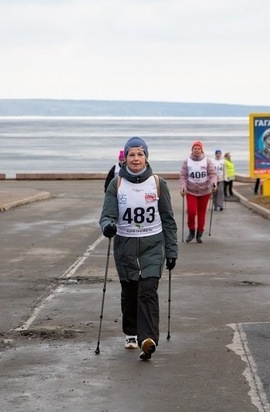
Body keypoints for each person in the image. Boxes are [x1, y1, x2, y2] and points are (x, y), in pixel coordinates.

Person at [99, 136, 178, 361]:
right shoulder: (117, 184)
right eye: (132, 155)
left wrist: (171, 250)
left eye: (140, 154)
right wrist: (108, 227)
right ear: (125, 159)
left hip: (153, 245)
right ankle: (131, 332)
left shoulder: (157, 183)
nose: (136, 158)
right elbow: (106, 216)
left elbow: (168, 220)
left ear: (146, 157)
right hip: (125, 246)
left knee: (148, 290)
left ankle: (148, 340)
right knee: (131, 291)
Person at [179, 140, 217, 243]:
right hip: (191, 190)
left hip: (205, 191)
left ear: (201, 150)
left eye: (198, 148)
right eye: (195, 148)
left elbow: (212, 174)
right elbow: (183, 176)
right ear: (192, 150)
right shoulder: (187, 161)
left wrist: (214, 183)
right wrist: (183, 187)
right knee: (191, 212)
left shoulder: (207, 161)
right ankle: (191, 231)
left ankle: (199, 233)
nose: (197, 150)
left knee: (202, 213)